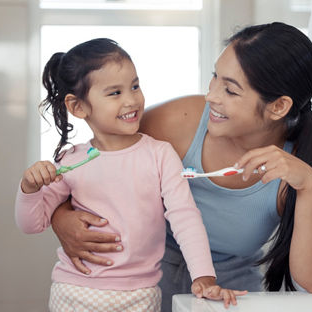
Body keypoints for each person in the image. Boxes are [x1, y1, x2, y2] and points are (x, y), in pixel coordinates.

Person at [50, 22, 312, 312]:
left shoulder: (296, 170)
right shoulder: (178, 121)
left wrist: (309, 186)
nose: (211, 96)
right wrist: (60, 217)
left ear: (278, 107)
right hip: (145, 282)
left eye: (231, 91)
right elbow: (89, 162)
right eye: (215, 77)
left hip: (228, 293)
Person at [14, 38, 245, 312]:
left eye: (135, 86)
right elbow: (31, 224)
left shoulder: (160, 154)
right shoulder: (71, 161)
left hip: (141, 297)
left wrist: (204, 279)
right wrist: (28, 188)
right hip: (74, 293)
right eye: (115, 93)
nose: (132, 100)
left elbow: (185, 217)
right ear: (78, 107)